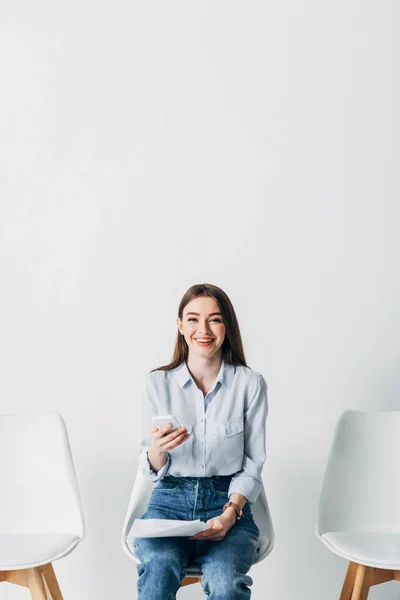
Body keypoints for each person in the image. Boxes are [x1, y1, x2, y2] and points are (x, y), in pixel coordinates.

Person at [133, 283, 268, 600]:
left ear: (227, 327)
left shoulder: (249, 385)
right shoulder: (156, 384)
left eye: (215, 319)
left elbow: (254, 463)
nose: (203, 330)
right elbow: (149, 465)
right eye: (193, 319)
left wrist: (230, 513)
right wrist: (157, 451)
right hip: (169, 503)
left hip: (227, 504)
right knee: (158, 571)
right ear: (180, 326)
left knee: (225, 582)